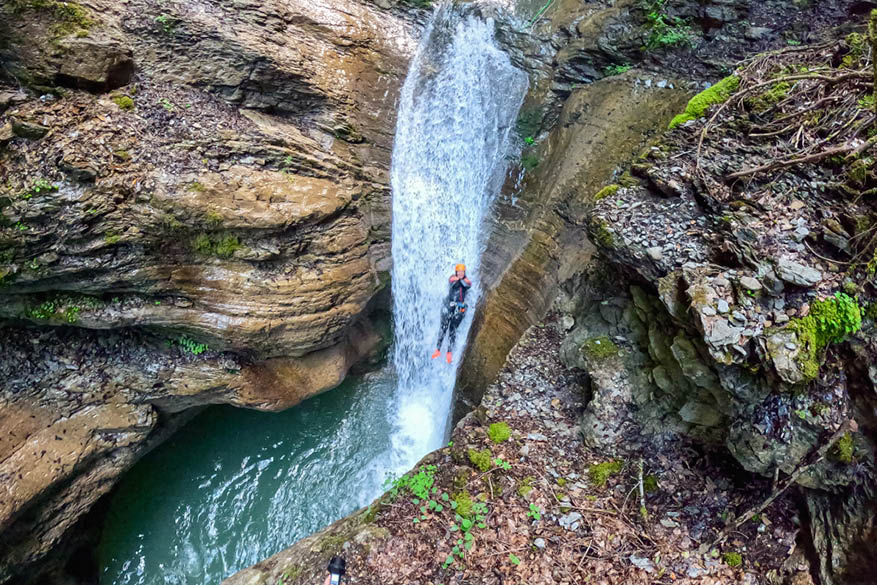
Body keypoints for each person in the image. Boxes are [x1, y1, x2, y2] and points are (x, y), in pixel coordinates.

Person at [431, 263, 472, 364]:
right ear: (456, 272)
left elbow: (467, 285)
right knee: (443, 327)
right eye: (459, 272)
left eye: (462, 272)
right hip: (449, 304)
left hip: (459, 306)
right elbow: (452, 283)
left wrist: (460, 280)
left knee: (452, 330)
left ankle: (449, 353)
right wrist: (458, 279)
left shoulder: (466, 281)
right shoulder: (452, 278)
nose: (460, 273)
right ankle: (437, 350)